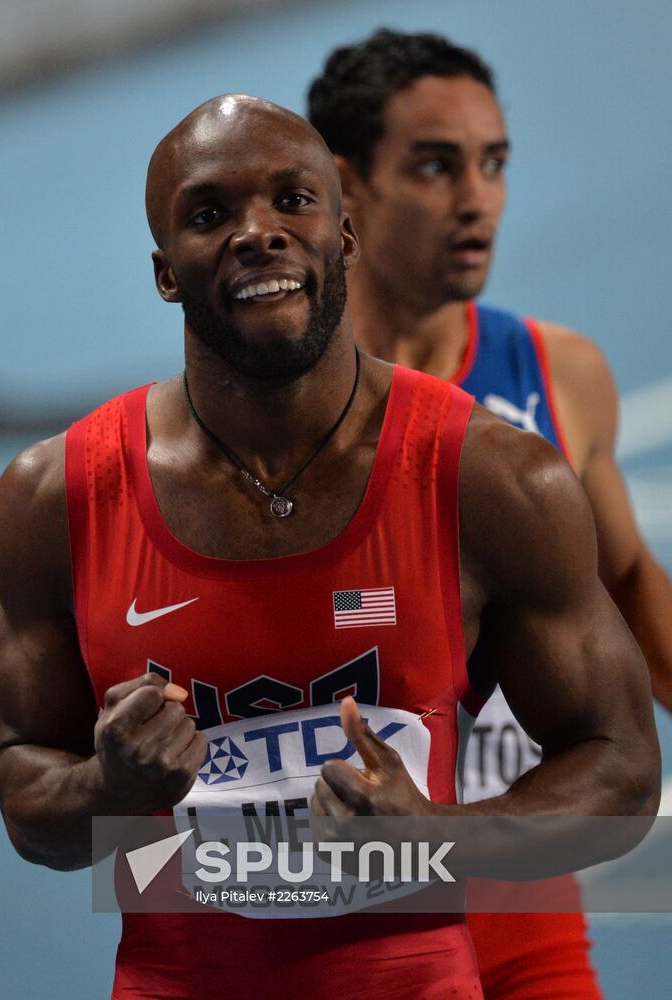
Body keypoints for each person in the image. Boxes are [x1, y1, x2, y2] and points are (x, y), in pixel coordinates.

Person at [0, 95, 659, 1000]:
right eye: (210, 214)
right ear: (165, 274)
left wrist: (436, 840)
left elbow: (620, 770)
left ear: (345, 239)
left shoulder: (491, 480)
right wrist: (108, 785)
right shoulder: (55, 499)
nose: (258, 234)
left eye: (292, 201)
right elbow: (32, 814)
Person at [307, 28, 672, 998]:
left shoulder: (560, 373)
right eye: (435, 165)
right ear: (347, 187)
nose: (477, 197)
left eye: (493, 163)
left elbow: (629, 579)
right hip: (345, 923)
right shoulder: (278, 415)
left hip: (519, 888)